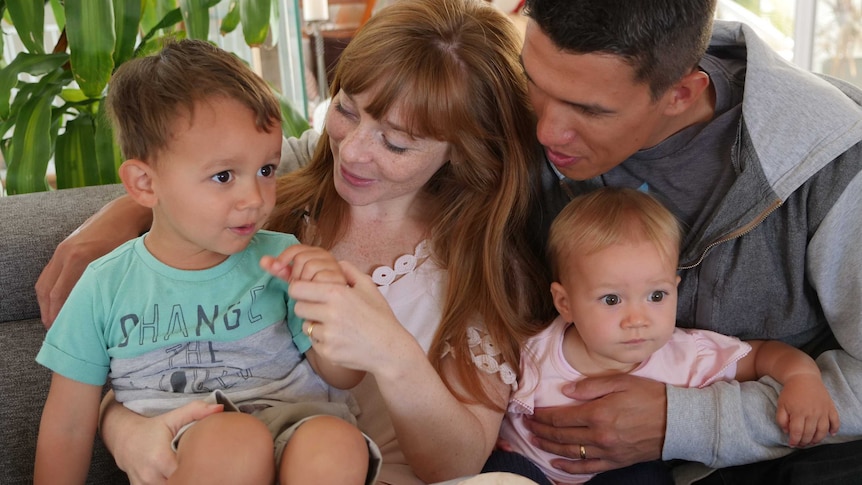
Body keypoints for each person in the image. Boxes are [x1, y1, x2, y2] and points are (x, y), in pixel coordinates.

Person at [35, 0, 552, 483]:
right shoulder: (268, 213)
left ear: (463, 152)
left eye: (395, 142)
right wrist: (123, 424)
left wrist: (388, 350)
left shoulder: (480, 267)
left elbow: (456, 465)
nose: (352, 152)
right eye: (346, 110)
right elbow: (155, 353)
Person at [515, 0, 862, 483]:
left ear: (681, 93)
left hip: (783, 458)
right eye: (532, 79)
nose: (545, 129)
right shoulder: (512, 113)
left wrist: (687, 422)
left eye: (589, 110)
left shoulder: (836, 158)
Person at [34, 39, 376, 485]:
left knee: (337, 442)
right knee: (232, 441)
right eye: (223, 176)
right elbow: (68, 425)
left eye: (267, 170)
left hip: (297, 427)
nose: (255, 199)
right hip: (186, 447)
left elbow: (345, 378)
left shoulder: (283, 256)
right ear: (143, 183)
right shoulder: (104, 285)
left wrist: (330, 308)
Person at [497, 187, 840, 485]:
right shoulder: (531, 349)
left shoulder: (685, 356)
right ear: (565, 303)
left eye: (657, 296)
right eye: (612, 299)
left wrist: (801, 377)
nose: (638, 319)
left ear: (675, 289)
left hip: (617, 473)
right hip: (527, 466)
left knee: (647, 478)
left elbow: (761, 355)